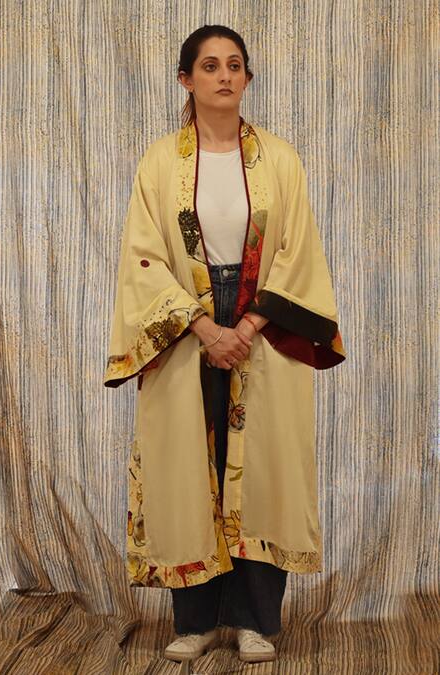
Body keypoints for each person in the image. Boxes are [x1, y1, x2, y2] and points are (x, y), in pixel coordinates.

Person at [104, 25, 346, 665]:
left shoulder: (280, 160)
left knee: (263, 468)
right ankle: (195, 621)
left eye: (235, 65)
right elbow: (143, 256)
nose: (224, 76)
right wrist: (203, 326)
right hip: (187, 323)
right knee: (187, 464)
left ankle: (255, 621)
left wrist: (247, 325)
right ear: (186, 80)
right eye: (209, 66)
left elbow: (297, 251)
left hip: (262, 319)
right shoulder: (161, 162)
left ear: (247, 78)